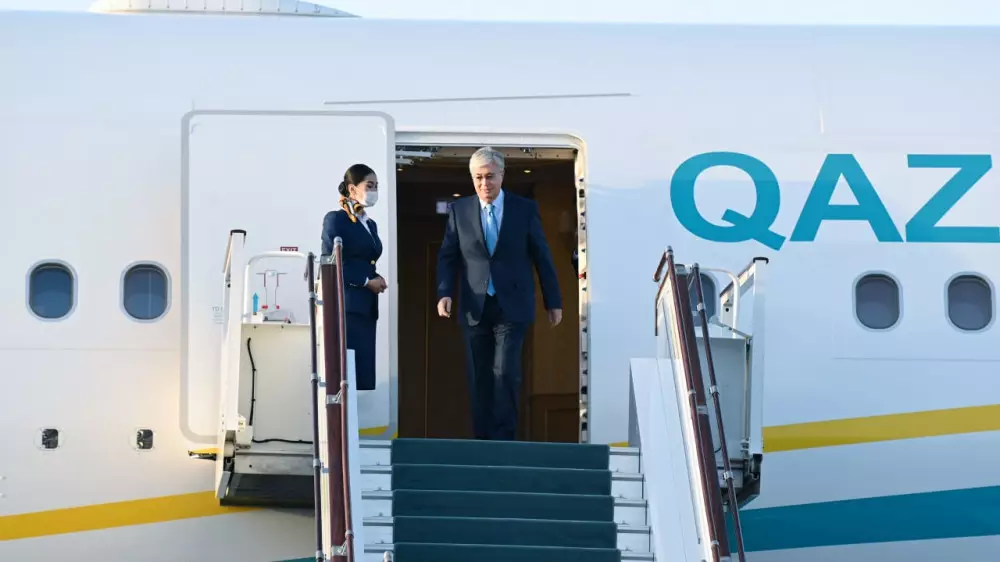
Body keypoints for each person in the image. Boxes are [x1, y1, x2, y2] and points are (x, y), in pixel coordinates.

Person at [435, 146, 563, 441]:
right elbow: (448, 255)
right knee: (479, 375)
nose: (484, 184)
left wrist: (553, 301)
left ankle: (504, 440)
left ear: (502, 175)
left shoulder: (524, 209)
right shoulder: (459, 210)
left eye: (490, 176)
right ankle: (483, 441)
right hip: (474, 305)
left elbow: (542, 255)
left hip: (512, 305)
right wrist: (444, 292)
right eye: (478, 178)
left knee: (504, 371)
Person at [321, 163, 386, 391]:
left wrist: (376, 277)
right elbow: (331, 262)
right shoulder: (336, 219)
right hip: (348, 305)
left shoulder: (369, 224)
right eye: (369, 185)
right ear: (352, 189)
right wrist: (367, 281)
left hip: (366, 306)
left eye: (376, 186)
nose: (374, 190)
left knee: (360, 374)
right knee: (345, 373)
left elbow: (364, 260)